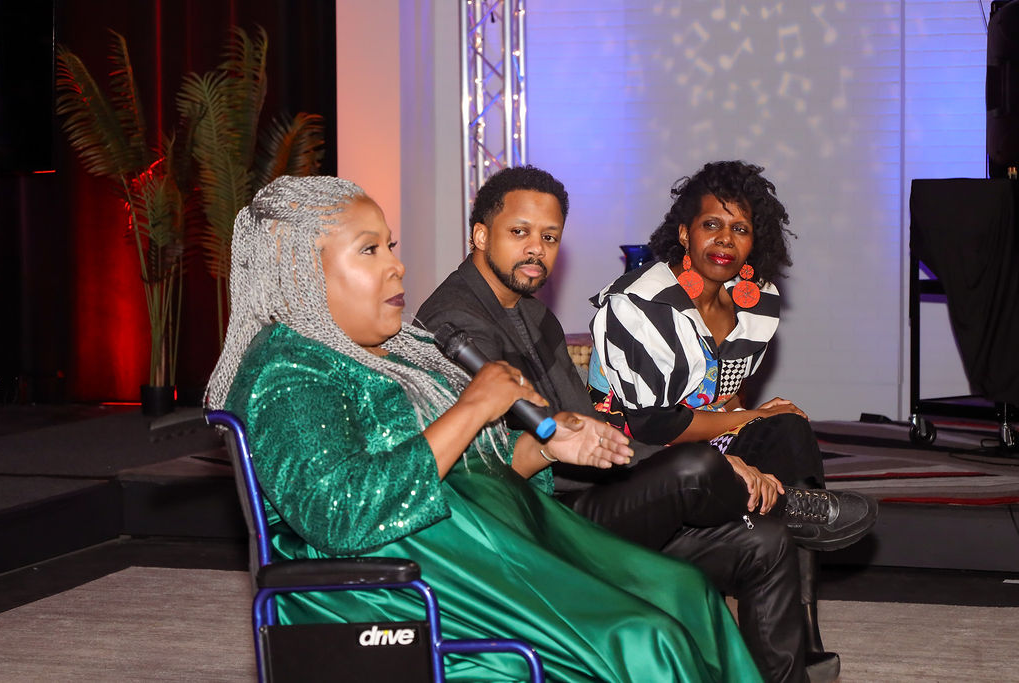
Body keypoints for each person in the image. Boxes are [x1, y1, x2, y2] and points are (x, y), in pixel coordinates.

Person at [205, 175, 761, 682]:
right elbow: (343, 514)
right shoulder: (289, 371)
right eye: (370, 250)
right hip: (398, 581)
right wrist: (471, 407)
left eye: (390, 246)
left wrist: (548, 444)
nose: (396, 265)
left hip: (479, 539)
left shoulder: (395, 349)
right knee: (645, 638)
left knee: (684, 591)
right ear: (297, 264)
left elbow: (474, 463)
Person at [417, 165, 854, 682]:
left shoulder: (533, 315)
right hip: (537, 522)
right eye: (520, 233)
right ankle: (781, 497)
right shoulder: (456, 324)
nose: (536, 249)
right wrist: (722, 462)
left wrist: (725, 445)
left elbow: (592, 429)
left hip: (583, 497)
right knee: (696, 464)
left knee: (767, 542)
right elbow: (491, 461)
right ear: (481, 235)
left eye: (550, 236)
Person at [590, 160, 878, 681]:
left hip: (699, 440)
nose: (725, 240)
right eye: (711, 225)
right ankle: (786, 513)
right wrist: (740, 423)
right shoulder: (640, 303)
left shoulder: (757, 300)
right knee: (757, 428)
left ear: (754, 241)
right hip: (638, 459)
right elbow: (653, 423)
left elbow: (724, 389)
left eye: (740, 228)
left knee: (787, 425)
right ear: (684, 232)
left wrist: (744, 418)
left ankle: (795, 557)